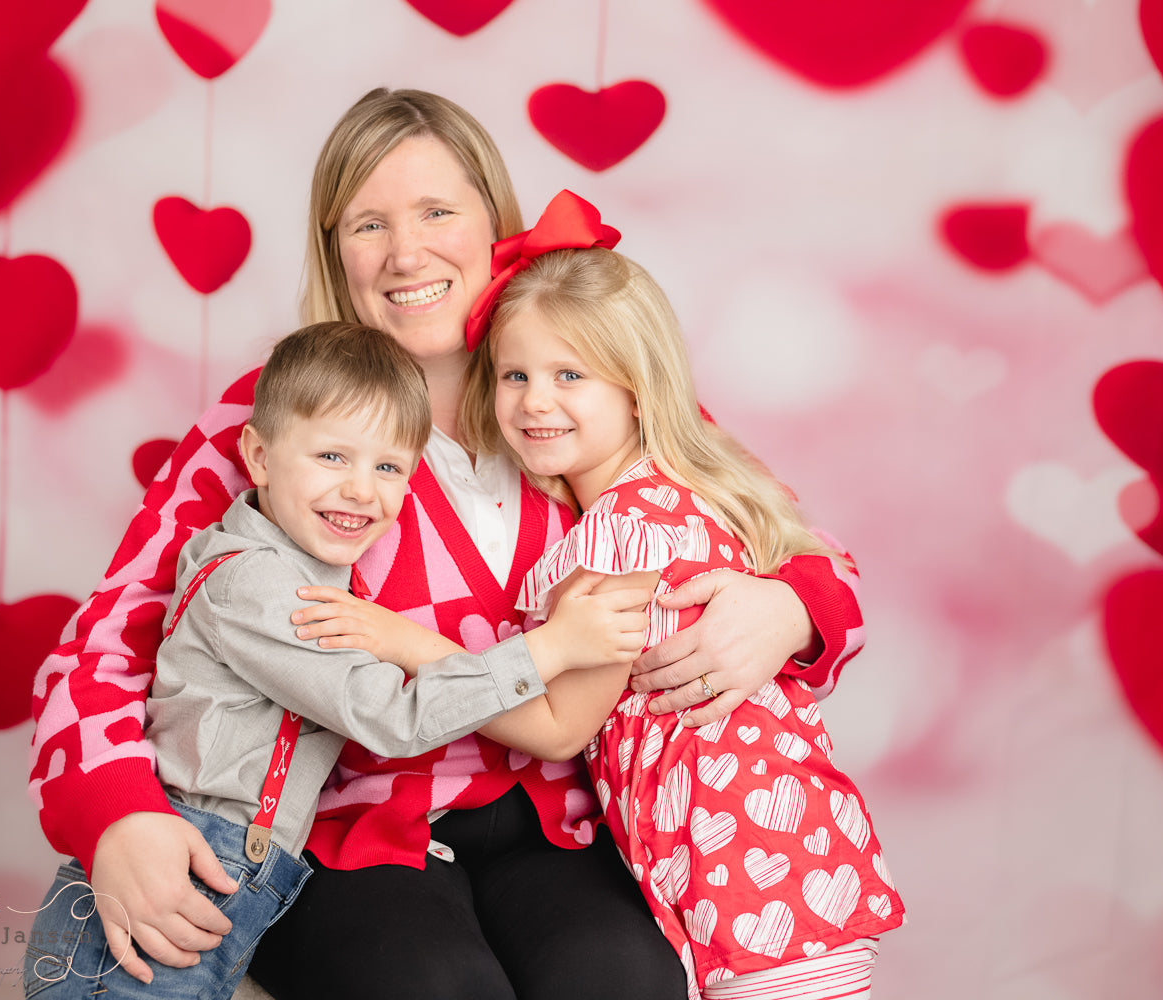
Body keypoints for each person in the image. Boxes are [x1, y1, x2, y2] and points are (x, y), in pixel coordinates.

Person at [28, 88, 868, 1000]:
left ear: (493, 223)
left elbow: (789, 541)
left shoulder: (571, 391)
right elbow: (107, 643)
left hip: (560, 834)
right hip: (349, 843)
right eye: (367, 225)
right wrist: (117, 818)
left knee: (624, 984)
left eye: (437, 211)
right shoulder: (278, 413)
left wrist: (789, 608)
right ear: (332, 251)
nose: (405, 252)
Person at [351, 190, 902, 999]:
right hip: (788, 851)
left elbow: (556, 727)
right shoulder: (698, 488)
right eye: (514, 375)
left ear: (636, 391)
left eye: (569, 375)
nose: (535, 401)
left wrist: (402, 642)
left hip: (742, 879)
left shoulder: (617, 539)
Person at [22, 322, 649, 999]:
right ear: (257, 457)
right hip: (186, 865)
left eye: (388, 468)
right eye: (331, 458)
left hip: (248, 878)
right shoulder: (257, 586)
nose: (360, 491)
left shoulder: (311, 571)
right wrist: (549, 648)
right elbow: (392, 716)